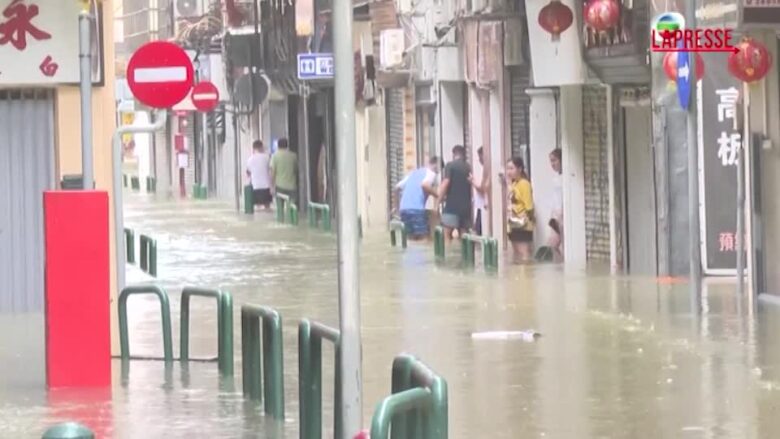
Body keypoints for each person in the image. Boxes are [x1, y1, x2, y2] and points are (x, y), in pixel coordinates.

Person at [394, 156, 440, 240]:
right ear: (436, 166)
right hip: (417, 210)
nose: (437, 173)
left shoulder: (413, 173)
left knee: (410, 239)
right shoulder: (431, 173)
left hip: (404, 209)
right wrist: (438, 195)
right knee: (424, 238)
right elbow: (425, 185)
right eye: (438, 171)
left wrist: (396, 208)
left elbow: (396, 188)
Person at [438, 145, 472, 241]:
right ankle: (465, 255)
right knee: (464, 237)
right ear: (464, 155)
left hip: (452, 207)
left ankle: (449, 255)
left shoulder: (450, 165)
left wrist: (438, 201)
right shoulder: (468, 167)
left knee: (446, 235)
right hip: (466, 208)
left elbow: (446, 183)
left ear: (453, 154)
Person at [504, 157, 535, 263]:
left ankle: (526, 276)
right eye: (507, 169)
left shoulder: (524, 184)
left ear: (519, 169)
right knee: (517, 253)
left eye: (511, 168)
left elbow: (529, 206)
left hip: (523, 224)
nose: (509, 172)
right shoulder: (513, 184)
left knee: (524, 253)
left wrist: (527, 219)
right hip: (513, 223)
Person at [270, 137, 299, 206]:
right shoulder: (293, 156)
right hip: (292, 186)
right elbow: (296, 170)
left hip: (280, 185)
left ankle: (282, 216)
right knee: (292, 208)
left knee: (280, 208)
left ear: (278, 145)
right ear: (287, 145)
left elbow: (273, 172)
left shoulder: (275, 156)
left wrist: (272, 186)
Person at [548, 148, 564, 261]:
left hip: (562, 216)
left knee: (553, 245)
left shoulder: (565, 178)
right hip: (556, 216)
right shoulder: (556, 178)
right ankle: (560, 266)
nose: (552, 164)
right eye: (551, 161)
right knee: (552, 245)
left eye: (554, 160)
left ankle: (561, 265)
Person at [246, 140, 272, 209]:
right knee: (267, 206)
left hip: (255, 186)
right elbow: (271, 170)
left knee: (257, 207)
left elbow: (248, 173)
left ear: (253, 148)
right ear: (261, 147)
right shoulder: (267, 157)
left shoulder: (250, 159)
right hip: (266, 186)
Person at [472, 146, 490, 236]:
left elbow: (483, 188)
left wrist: (473, 181)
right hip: (481, 206)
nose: (479, 160)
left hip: (484, 206)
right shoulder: (485, 169)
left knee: (478, 233)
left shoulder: (488, 170)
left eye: (480, 157)